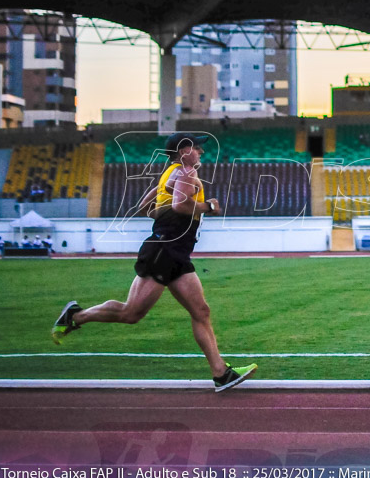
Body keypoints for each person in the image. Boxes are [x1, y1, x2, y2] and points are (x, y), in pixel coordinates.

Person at [51, 132, 257, 393]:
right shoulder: (184, 173)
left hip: (176, 252)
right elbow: (183, 206)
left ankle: (221, 373)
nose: (202, 153)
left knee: (201, 311)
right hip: (165, 250)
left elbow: (145, 206)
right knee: (131, 313)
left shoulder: (170, 174)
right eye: (197, 148)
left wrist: (164, 213)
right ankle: (76, 316)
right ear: (183, 151)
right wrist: (210, 207)